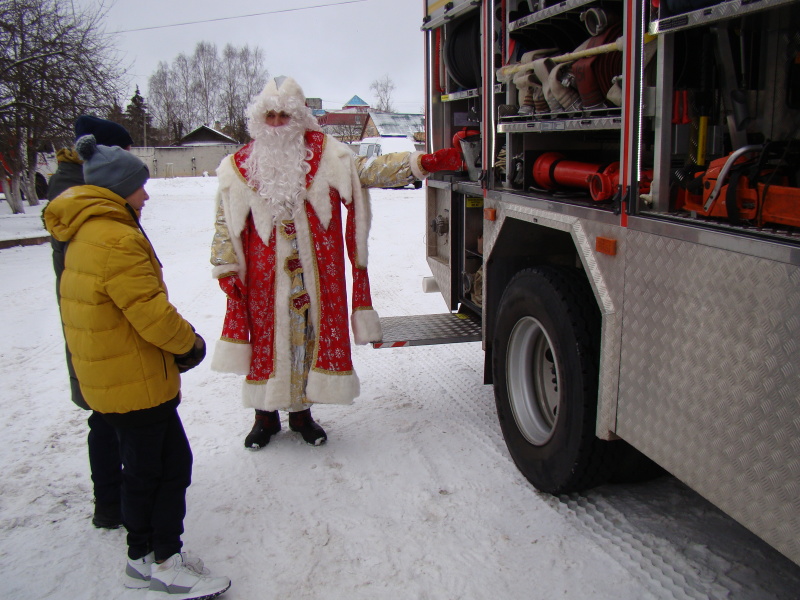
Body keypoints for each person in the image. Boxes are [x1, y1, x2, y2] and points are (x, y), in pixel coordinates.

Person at [210, 76, 462, 450]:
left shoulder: (325, 154)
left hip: (314, 277)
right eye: (271, 116)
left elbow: (368, 170)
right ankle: (264, 418)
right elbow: (223, 221)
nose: (277, 123)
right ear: (259, 120)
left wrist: (419, 163)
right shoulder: (240, 165)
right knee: (266, 344)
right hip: (263, 282)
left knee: (309, 339)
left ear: (299, 119)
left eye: (284, 115)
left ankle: (301, 415)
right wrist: (225, 266)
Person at [43, 134, 231, 600]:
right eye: (139, 186)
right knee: (163, 470)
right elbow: (149, 312)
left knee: (150, 468)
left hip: (114, 378)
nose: (146, 195)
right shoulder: (117, 238)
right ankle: (161, 562)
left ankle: (146, 559)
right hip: (136, 380)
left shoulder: (84, 232)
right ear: (117, 189)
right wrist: (189, 344)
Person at [46, 115, 135, 529]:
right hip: (96, 319)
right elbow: (100, 265)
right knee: (107, 415)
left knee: (107, 413)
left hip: (88, 315)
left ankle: (114, 500)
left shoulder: (80, 187)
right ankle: (114, 503)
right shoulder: (80, 193)